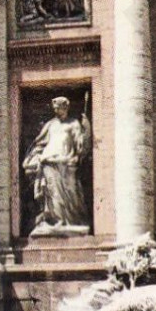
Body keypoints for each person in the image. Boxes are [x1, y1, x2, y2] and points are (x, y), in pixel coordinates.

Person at [21, 96, 91, 234]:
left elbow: (80, 145)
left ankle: (70, 220)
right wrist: (35, 156)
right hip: (48, 161)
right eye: (55, 108)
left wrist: (86, 128)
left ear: (65, 107)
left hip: (66, 162)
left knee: (71, 192)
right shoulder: (50, 124)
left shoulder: (74, 123)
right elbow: (39, 143)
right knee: (52, 192)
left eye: (59, 107)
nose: (56, 110)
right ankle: (55, 220)